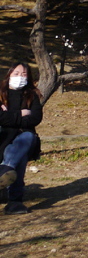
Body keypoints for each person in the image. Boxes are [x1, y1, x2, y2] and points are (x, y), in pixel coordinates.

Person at [0, 63, 43, 215]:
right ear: (9, 74)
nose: (20, 77)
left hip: (24, 137)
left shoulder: (32, 95)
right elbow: (1, 119)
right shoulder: (1, 93)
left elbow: (35, 119)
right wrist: (21, 114)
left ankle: (5, 169)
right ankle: (15, 201)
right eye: (16, 73)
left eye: (24, 74)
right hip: (2, 137)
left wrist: (9, 116)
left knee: (25, 139)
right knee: (19, 154)